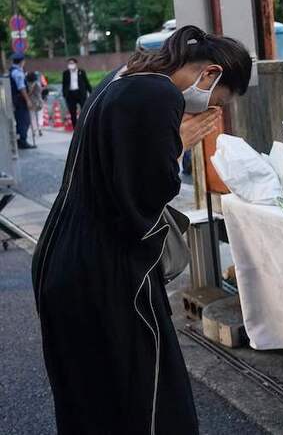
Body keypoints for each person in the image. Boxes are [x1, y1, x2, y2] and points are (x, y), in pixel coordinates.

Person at [32, 25, 252, 435]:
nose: (205, 111)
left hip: (62, 258)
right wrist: (177, 144)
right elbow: (143, 197)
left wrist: (170, 140)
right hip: (105, 272)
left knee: (88, 399)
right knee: (146, 398)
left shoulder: (123, 79)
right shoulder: (157, 95)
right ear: (210, 74)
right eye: (217, 100)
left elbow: (116, 176)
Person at [9, 53, 36, 149]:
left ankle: (20, 140)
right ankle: (22, 141)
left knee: (22, 120)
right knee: (23, 120)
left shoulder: (13, 71)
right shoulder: (18, 73)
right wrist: (28, 100)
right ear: (22, 61)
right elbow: (21, 88)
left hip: (17, 100)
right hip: (20, 100)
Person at [61, 57, 93, 128]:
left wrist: (91, 92)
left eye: (72, 63)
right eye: (69, 63)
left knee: (84, 110)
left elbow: (86, 82)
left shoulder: (81, 72)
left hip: (80, 93)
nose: (70, 65)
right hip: (70, 94)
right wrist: (64, 94)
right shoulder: (65, 73)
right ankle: (75, 127)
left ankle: (85, 125)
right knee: (72, 112)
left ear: (76, 64)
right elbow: (64, 84)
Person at [27, 71, 45, 138]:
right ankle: (40, 129)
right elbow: (40, 92)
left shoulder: (27, 85)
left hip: (31, 102)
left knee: (32, 117)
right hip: (39, 102)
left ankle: (34, 130)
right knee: (40, 116)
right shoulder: (38, 84)